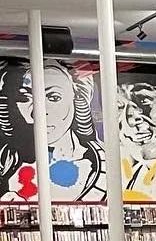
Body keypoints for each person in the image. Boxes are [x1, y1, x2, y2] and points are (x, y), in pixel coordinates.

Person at [0, 60, 105, 202]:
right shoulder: (6, 162)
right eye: (24, 98)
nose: (39, 112)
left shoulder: (104, 162)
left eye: (54, 97)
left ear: (77, 98)